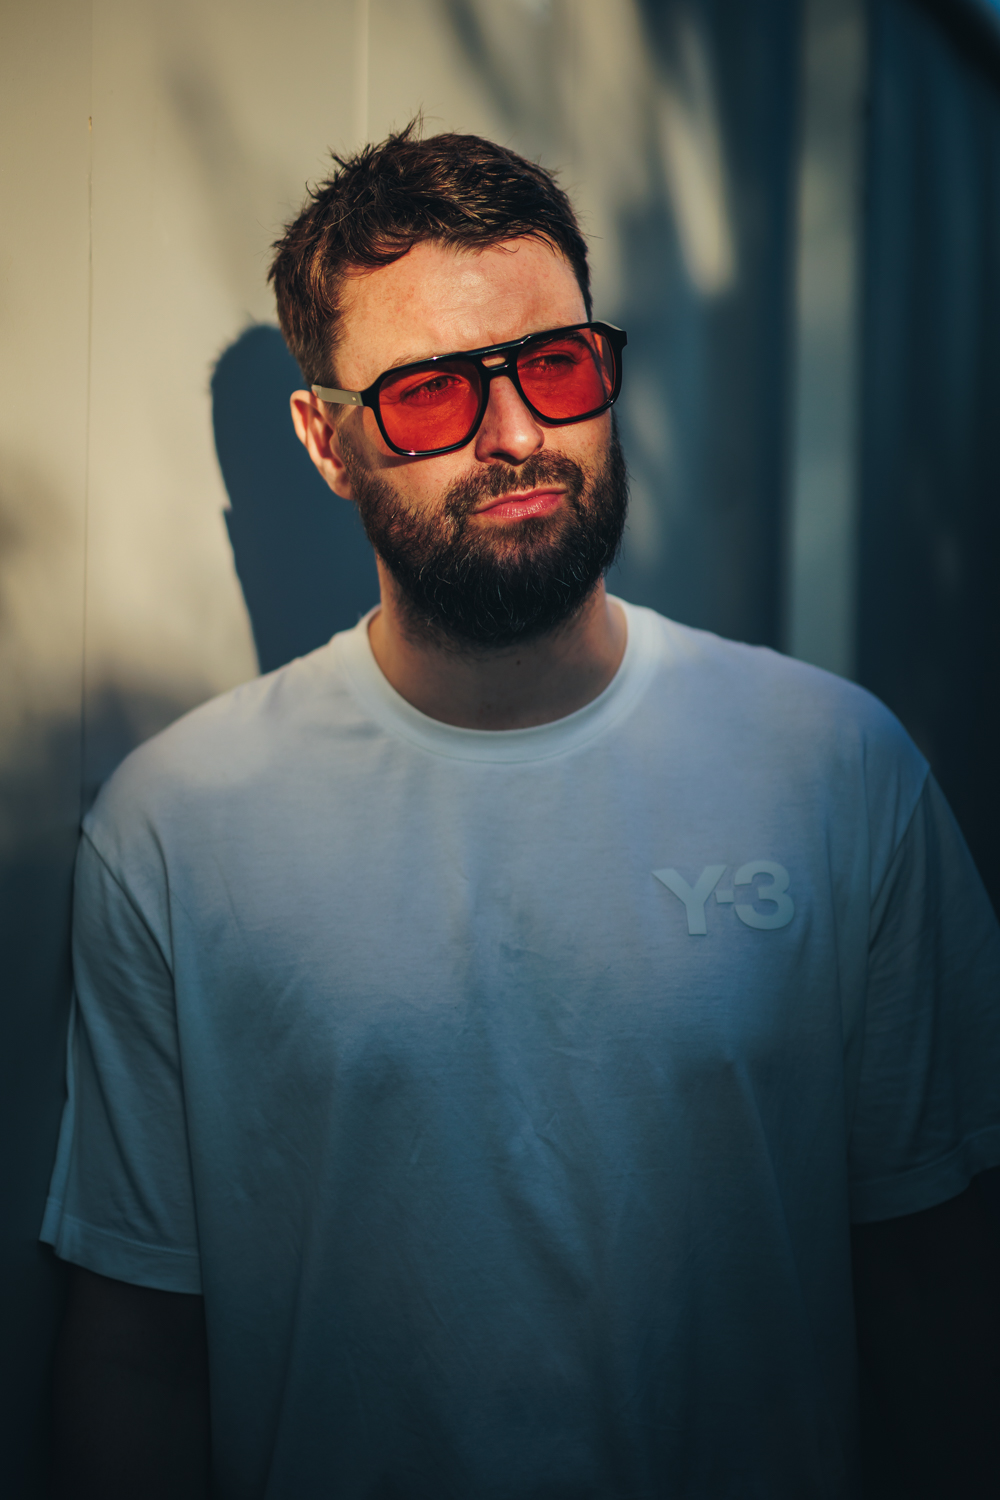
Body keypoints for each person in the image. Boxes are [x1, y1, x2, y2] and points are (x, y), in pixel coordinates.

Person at [44, 124, 1000, 1500]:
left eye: (553, 367)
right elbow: (137, 1347)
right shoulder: (178, 826)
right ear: (327, 439)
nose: (516, 436)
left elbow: (935, 1281)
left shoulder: (835, 767)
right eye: (433, 394)